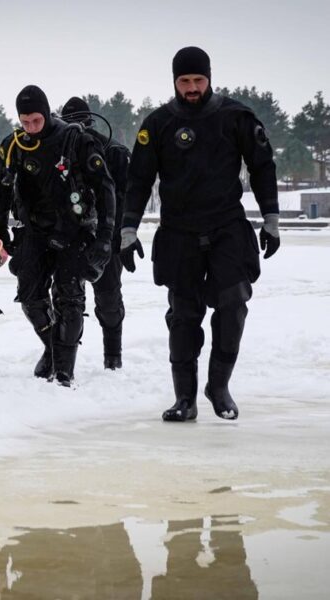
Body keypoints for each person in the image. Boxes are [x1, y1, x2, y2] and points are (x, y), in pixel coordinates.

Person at [120, 46, 280, 421]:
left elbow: (262, 166)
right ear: (174, 81)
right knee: (184, 314)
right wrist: (128, 228)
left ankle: (218, 386)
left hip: (227, 226)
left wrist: (271, 218)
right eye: (184, 81)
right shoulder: (157, 124)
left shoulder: (236, 117)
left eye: (198, 80)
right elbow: (139, 179)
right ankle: (185, 399)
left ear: (209, 78)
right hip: (179, 231)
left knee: (233, 303)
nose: (192, 88)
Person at [0, 85, 116, 386]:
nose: (31, 128)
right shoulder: (14, 145)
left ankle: (63, 372)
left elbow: (105, 188)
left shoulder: (75, 140)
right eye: (25, 122)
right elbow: (0, 190)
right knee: (30, 296)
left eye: (36, 120)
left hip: (74, 228)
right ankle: (52, 348)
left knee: (69, 298)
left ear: (47, 114)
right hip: (35, 229)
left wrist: (105, 236)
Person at [62, 97, 131, 369]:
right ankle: (60, 360)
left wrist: (122, 236)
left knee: (108, 298)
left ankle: (113, 357)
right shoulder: (58, 150)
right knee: (66, 300)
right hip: (70, 235)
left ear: (90, 122)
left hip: (107, 235)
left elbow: (126, 198)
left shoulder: (114, 152)